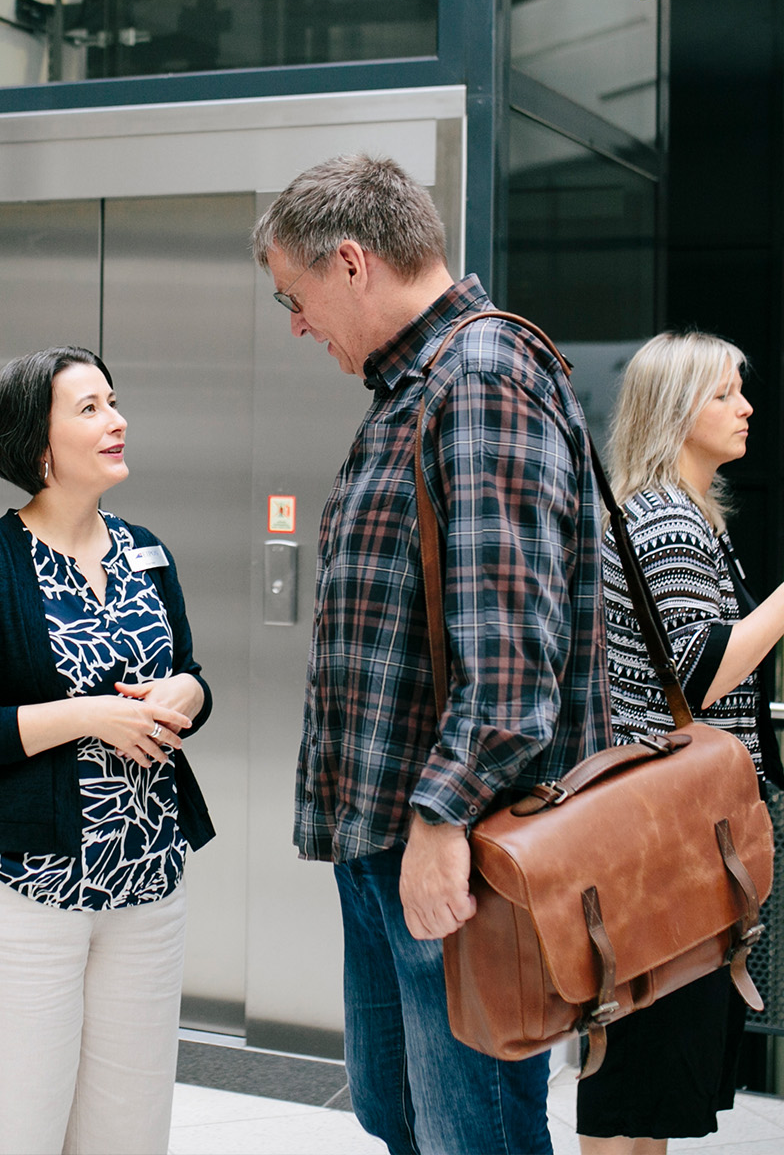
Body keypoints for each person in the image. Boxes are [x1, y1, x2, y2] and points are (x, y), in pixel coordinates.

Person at [251, 153, 609, 1155]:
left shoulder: (482, 374)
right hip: (392, 841)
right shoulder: (417, 384)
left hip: (458, 854)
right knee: (402, 1119)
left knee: (475, 1138)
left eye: (297, 294)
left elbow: (509, 644)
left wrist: (445, 814)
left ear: (352, 262)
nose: (297, 322)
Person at [0, 346, 215, 1155]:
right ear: (37, 447)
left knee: (129, 1133)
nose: (116, 421)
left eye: (113, 402)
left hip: (147, 885)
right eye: (88, 408)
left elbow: (186, 677)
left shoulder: (146, 550)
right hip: (23, 894)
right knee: (21, 1132)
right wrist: (83, 716)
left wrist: (189, 693)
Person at [576, 331, 784, 1154]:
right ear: (676, 410)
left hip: (667, 825)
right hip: (664, 833)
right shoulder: (666, 520)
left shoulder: (682, 510)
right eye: (725, 394)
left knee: (653, 1063)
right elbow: (702, 673)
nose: (745, 407)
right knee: (639, 1058)